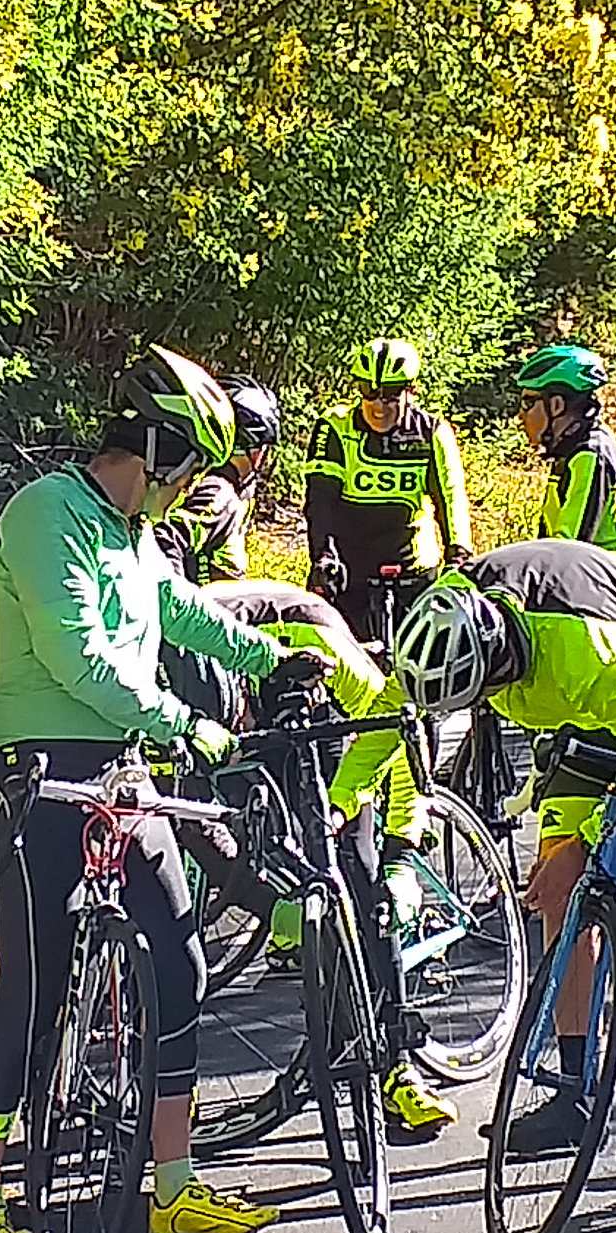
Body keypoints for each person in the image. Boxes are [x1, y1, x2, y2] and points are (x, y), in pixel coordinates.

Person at [0, 346, 329, 1233]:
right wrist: (186, 722)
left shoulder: (134, 532)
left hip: (119, 762)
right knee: (33, 989)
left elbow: (184, 615)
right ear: (157, 450)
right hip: (41, 763)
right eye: (190, 467)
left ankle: (171, 1188)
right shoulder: (48, 516)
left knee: (179, 959)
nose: (192, 487)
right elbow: (82, 659)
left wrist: (268, 658)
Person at [389, 538, 616, 1176]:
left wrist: (614, 831)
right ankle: (573, 1093)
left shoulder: (594, 659)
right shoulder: (446, 617)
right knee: (557, 893)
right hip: (573, 705)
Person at [192, 578, 460, 1135]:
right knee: (247, 851)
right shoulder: (182, 667)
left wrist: (402, 855)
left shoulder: (334, 662)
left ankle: (397, 1067)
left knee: (360, 882)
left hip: (325, 711)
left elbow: (401, 744)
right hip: (229, 726)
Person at [304, 337, 471, 640]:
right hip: (349, 570)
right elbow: (321, 500)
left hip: (415, 571)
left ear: (412, 391)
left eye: (392, 394)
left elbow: (451, 497)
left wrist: (458, 555)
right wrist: (323, 556)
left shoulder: (432, 433)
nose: (379, 406)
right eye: (369, 393)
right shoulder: (335, 426)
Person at [515, 343, 616, 557]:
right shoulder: (582, 448)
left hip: (607, 585)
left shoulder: (589, 455)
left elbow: (568, 550)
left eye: (528, 403)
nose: (521, 415)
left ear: (557, 405)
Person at [156, 374, 283, 584]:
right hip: (210, 605)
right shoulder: (218, 493)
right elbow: (167, 541)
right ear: (255, 449)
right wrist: (177, 603)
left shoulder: (231, 489)